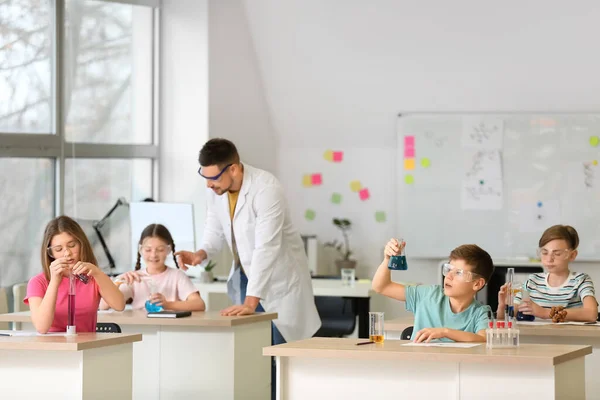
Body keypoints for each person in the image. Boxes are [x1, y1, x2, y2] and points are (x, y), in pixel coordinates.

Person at [175, 138, 321, 399]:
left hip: (279, 283)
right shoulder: (217, 190)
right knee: (251, 358)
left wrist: (251, 301)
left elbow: (267, 247)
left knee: (279, 357)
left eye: (214, 178)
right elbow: (215, 228)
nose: (209, 185)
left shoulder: (267, 189)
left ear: (233, 168)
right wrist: (201, 253)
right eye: (204, 177)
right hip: (245, 277)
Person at [372, 239, 494, 342]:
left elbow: (483, 339)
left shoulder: (480, 312)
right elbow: (381, 286)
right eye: (449, 269)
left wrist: (445, 332)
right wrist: (388, 259)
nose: (449, 276)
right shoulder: (428, 295)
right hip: (418, 364)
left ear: (477, 284)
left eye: (458, 273)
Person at [25, 216, 126, 334]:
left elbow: (119, 305)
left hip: (87, 347)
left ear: (81, 244)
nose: (67, 253)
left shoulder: (93, 276)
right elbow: (42, 327)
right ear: (50, 253)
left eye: (72, 245)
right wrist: (54, 282)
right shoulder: (38, 282)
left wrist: (97, 273)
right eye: (58, 249)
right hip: (52, 348)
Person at [497, 225, 597, 322]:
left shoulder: (581, 280)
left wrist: (545, 313)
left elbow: (591, 314)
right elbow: (507, 317)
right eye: (544, 253)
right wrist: (503, 305)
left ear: (572, 255)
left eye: (557, 254)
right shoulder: (532, 281)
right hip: (538, 338)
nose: (549, 259)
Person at [100, 224, 205, 312]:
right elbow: (103, 306)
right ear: (141, 250)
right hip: (142, 329)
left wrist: (167, 305)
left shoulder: (177, 276)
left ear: (168, 250)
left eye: (160, 250)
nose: (153, 255)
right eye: (148, 250)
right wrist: (118, 281)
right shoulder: (135, 278)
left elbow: (199, 304)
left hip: (170, 328)